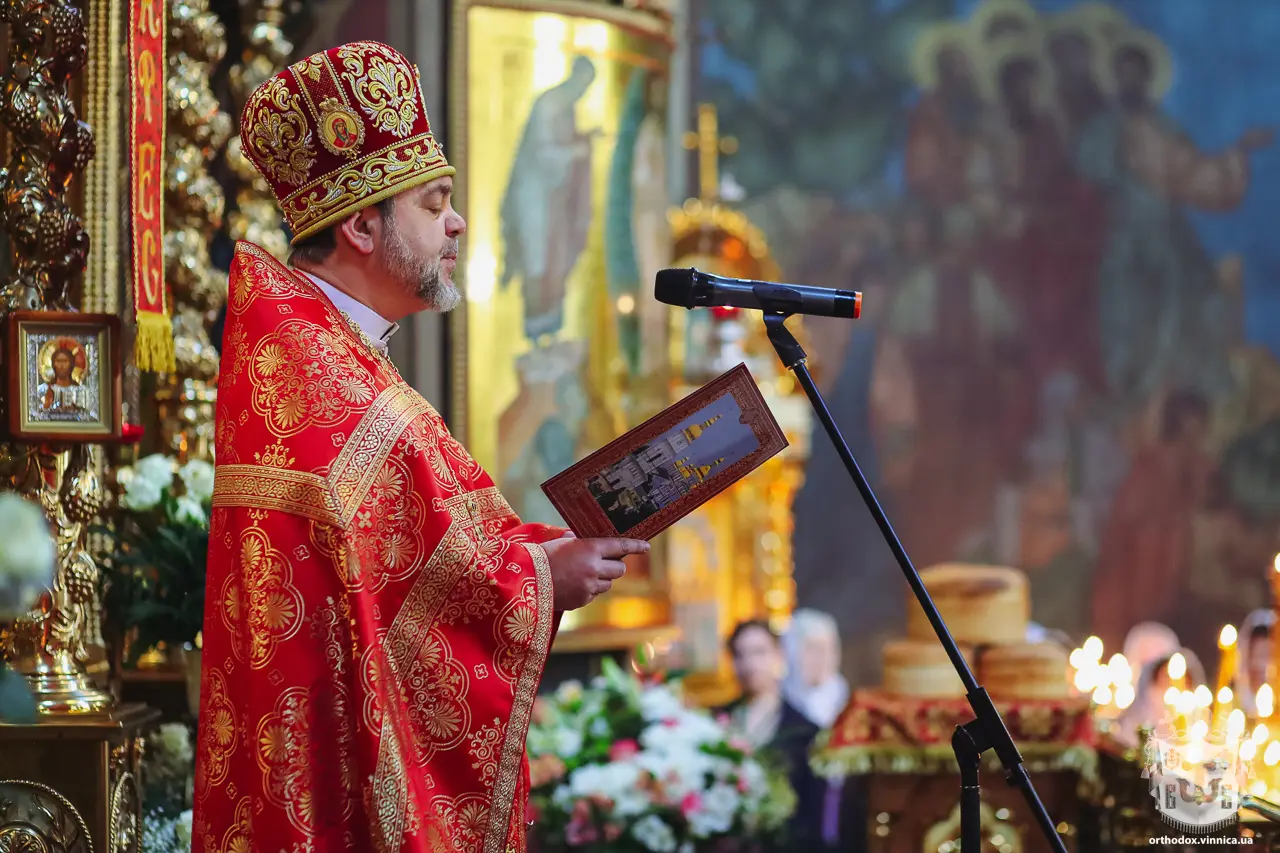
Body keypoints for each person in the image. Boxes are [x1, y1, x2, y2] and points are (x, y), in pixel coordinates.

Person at [191, 41, 648, 853]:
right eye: (435, 204)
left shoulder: (324, 352)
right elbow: (399, 589)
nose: (458, 222)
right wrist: (545, 576)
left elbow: (416, 551)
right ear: (362, 226)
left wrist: (542, 555)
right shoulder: (320, 376)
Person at [718, 620, 823, 849]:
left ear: (778, 656)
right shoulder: (717, 722)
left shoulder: (804, 731)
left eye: (759, 652)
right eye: (740, 654)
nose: (749, 664)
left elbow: (813, 814)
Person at [37, 345, 85, 413]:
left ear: (71, 364)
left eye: (65, 361)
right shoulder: (42, 389)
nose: (61, 365)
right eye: (58, 361)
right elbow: (37, 413)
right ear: (53, 364)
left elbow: (85, 413)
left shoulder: (79, 390)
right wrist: (47, 403)